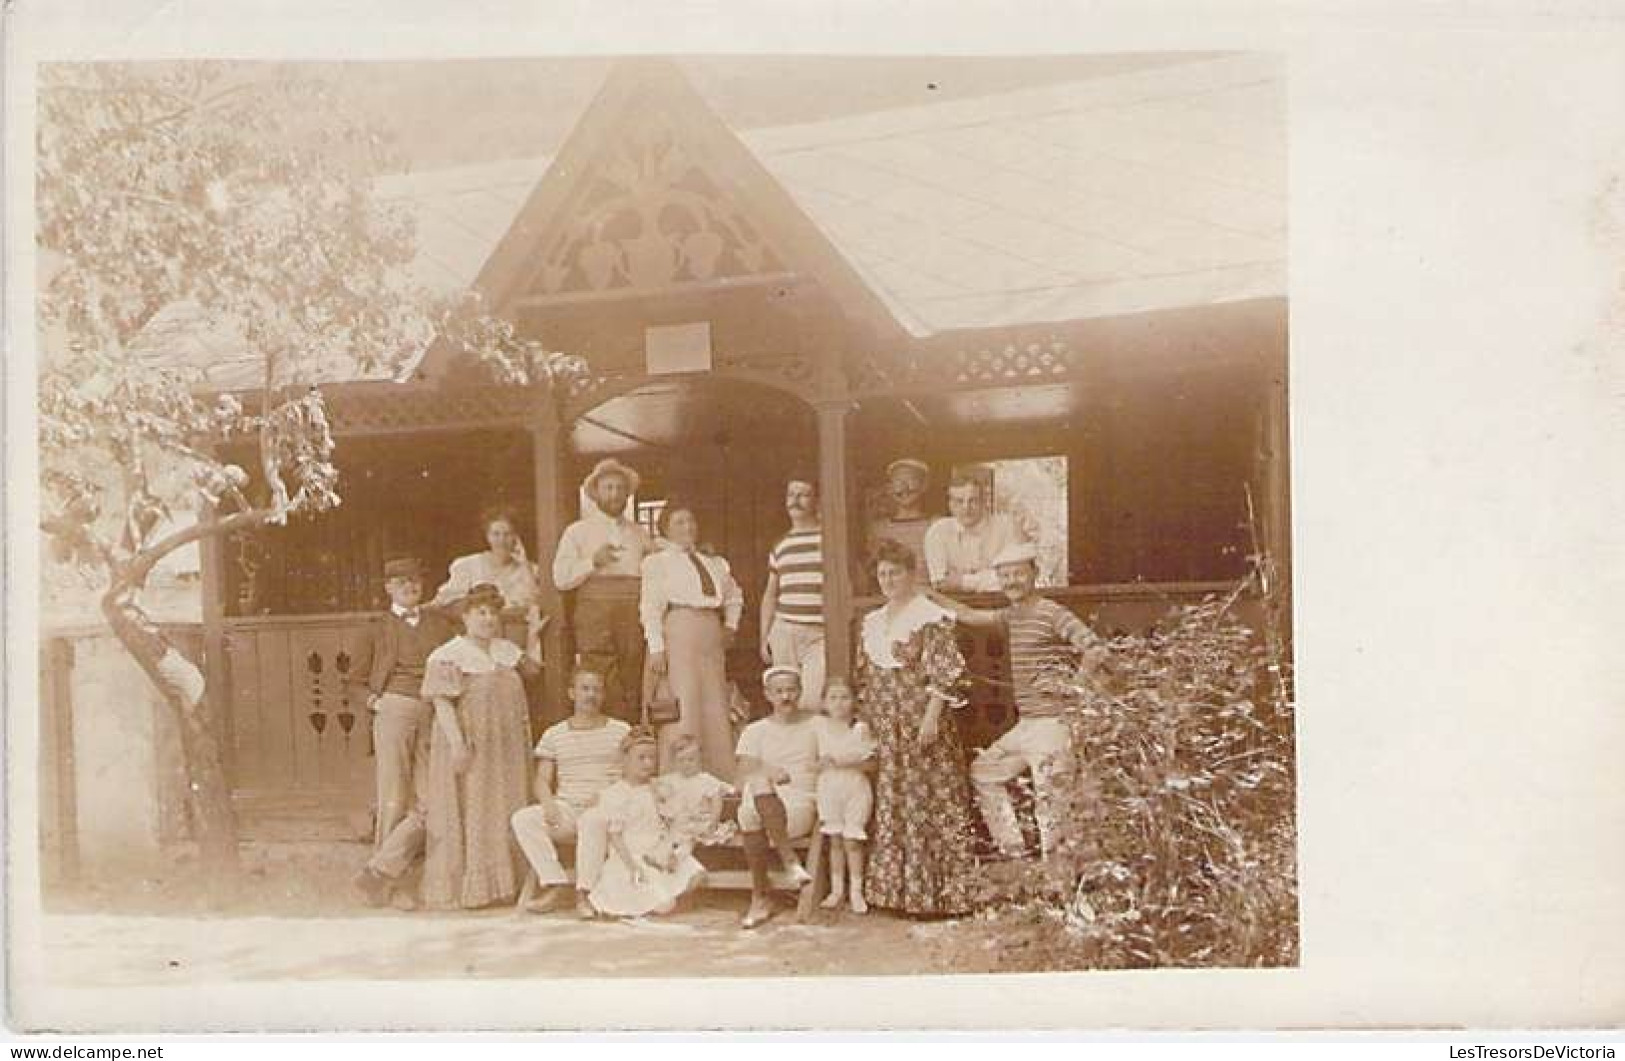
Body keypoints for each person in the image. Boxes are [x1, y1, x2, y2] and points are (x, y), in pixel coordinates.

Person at [933, 541, 1105, 859]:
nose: (1012, 581)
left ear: (1034, 574)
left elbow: (1095, 649)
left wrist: (1075, 689)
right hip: (1027, 725)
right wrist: (928, 595)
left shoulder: (1051, 612)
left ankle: (1058, 886)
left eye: (1018, 574)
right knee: (983, 772)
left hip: (1053, 725)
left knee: (1051, 805)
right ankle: (1014, 852)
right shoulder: (1013, 614)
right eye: (1005, 576)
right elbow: (970, 615)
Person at [856, 538, 979, 917]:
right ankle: (897, 894)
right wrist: (866, 722)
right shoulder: (873, 621)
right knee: (894, 803)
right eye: (882, 574)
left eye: (895, 573)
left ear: (911, 575)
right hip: (886, 725)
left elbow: (945, 671)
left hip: (921, 721)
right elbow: (865, 677)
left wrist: (931, 717)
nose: (888, 580)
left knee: (930, 801)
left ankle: (942, 897)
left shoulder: (930, 616)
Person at [419, 582, 542, 910]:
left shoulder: (504, 650)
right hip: (474, 743)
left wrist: (531, 635)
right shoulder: (448, 654)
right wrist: (458, 745)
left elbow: (533, 670)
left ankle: (507, 886)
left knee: (508, 804)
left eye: (493, 613)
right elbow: (442, 703)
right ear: (466, 616)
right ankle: (477, 888)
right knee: (477, 806)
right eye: (480, 613)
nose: (488, 619)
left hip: (508, 747)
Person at [349, 557, 458, 910]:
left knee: (431, 802)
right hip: (394, 708)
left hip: (435, 711)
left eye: (415, 580)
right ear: (388, 587)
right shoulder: (375, 628)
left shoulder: (440, 624)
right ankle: (393, 888)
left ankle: (379, 871)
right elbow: (354, 680)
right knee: (393, 796)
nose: (410, 586)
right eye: (401, 581)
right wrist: (373, 701)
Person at [509, 668, 628, 918]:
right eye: (585, 689)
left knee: (592, 820)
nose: (591, 695)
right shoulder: (555, 734)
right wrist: (548, 802)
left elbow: (634, 775)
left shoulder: (620, 731)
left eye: (597, 689)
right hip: (568, 808)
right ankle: (555, 883)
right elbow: (541, 779)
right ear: (572, 694)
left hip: (606, 810)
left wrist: (611, 797)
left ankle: (584, 894)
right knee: (524, 818)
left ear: (603, 695)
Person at [640, 502, 743, 779]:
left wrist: (730, 626)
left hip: (710, 631)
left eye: (691, 522)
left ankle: (718, 774)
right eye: (679, 523)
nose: (688, 528)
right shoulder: (657, 562)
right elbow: (650, 607)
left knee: (714, 702)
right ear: (665, 529)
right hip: (678, 631)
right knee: (684, 701)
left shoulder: (715, 563)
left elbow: (734, 596)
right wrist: (657, 648)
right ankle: (677, 775)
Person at [552, 459, 654, 723]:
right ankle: (600, 733)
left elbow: (661, 562)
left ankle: (631, 735)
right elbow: (560, 578)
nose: (615, 494)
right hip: (594, 608)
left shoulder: (639, 533)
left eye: (620, 488)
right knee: (597, 672)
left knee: (632, 670)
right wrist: (592, 562)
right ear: (596, 492)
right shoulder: (577, 532)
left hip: (632, 607)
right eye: (608, 488)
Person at [587, 729, 707, 919]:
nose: (648, 763)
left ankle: (663, 895)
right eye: (641, 758)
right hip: (630, 855)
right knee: (663, 903)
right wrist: (633, 867)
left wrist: (672, 852)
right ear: (625, 759)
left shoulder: (658, 788)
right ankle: (651, 900)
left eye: (652, 758)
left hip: (657, 850)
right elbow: (616, 837)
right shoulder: (616, 793)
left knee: (697, 876)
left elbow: (673, 821)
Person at [735, 665, 820, 928]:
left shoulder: (816, 725)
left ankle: (761, 895)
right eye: (779, 691)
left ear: (800, 692)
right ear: (767, 695)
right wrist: (769, 771)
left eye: (791, 690)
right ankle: (789, 862)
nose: (786, 697)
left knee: (752, 810)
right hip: (762, 798)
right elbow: (743, 770)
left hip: (799, 802)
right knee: (756, 790)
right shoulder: (755, 730)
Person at [758, 475, 825, 710]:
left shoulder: (828, 539)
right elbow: (770, 594)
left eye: (803, 494)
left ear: (816, 501)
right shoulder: (781, 544)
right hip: (784, 631)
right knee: (786, 700)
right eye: (791, 495)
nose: (795, 500)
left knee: (812, 701)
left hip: (819, 634)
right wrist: (764, 636)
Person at [812, 678, 876, 914]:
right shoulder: (817, 727)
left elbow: (871, 763)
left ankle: (856, 892)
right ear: (824, 702)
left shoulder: (860, 729)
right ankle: (836, 890)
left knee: (852, 841)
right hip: (829, 787)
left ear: (853, 701)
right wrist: (821, 763)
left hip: (854, 788)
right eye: (833, 698)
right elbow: (810, 762)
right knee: (835, 841)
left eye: (844, 698)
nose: (839, 704)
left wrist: (845, 761)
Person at [922, 472, 1028, 594]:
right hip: (954, 605)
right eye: (959, 501)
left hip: (1002, 601)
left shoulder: (1007, 526)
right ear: (950, 504)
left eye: (973, 500)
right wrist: (993, 576)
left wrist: (962, 582)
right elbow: (940, 583)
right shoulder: (937, 532)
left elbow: (1017, 579)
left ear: (984, 501)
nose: (966, 507)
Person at [432, 506, 543, 612]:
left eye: (507, 534)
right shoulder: (468, 565)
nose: (502, 540)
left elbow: (534, 604)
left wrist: (524, 564)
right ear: (487, 536)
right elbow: (443, 601)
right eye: (496, 534)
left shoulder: (529, 570)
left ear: (516, 537)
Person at [654, 733, 736, 858]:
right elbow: (657, 795)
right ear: (673, 762)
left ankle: (679, 858)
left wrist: (713, 822)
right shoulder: (670, 780)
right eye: (681, 761)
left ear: (700, 760)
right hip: (676, 821)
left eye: (691, 760)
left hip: (698, 821)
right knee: (668, 835)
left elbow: (717, 801)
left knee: (689, 839)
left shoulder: (706, 780)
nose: (686, 764)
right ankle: (663, 857)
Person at [867, 458, 934, 574]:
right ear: (889, 488)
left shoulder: (935, 525)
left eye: (911, 480)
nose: (904, 487)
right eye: (898, 482)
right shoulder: (879, 529)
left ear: (924, 485)